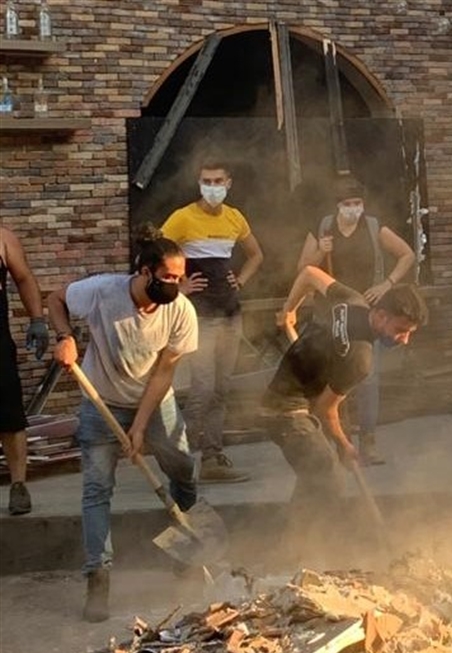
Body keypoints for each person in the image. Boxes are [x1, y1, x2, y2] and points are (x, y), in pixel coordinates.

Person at [47, 236, 198, 622]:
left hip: (156, 403)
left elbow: (165, 371)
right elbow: (55, 298)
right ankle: (98, 577)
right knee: (97, 489)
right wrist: (65, 338)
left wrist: (141, 427)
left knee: (182, 470)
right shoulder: (101, 291)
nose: (175, 285)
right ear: (144, 272)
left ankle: (188, 548)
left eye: (180, 278)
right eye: (167, 277)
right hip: (102, 404)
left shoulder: (180, 310)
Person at [270, 266, 427, 561]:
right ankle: (300, 551)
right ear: (381, 316)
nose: (404, 339)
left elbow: (307, 273)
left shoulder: (351, 301)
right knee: (328, 477)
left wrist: (289, 310)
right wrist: (345, 445)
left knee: (315, 469)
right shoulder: (360, 359)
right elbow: (325, 409)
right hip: (286, 411)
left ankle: (291, 544)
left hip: (288, 396)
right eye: (400, 331)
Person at [294, 175, 416, 466]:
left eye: (357, 203)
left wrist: (387, 283)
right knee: (333, 379)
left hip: (366, 312)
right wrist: (320, 251)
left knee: (367, 377)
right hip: (331, 312)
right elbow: (303, 269)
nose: (353, 209)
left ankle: (368, 441)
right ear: (338, 205)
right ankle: (338, 442)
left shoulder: (373, 228)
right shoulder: (323, 228)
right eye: (348, 204)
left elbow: (407, 255)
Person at [161, 159, 264, 483]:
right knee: (202, 388)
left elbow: (256, 254)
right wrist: (179, 286)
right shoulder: (182, 218)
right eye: (206, 180)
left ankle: (213, 454)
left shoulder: (235, 218)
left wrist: (242, 280)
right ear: (199, 183)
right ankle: (187, 456)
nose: (212, 186)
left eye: (218, 180)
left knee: (221, 388)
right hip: (201, 315)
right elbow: (153, 256)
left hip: (230, 313)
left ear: (228, 183)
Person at [0, 225, 49, 516]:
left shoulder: (3, 239)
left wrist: (37, 320)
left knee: (9, 416)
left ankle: (18, 485)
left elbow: (24, 278)